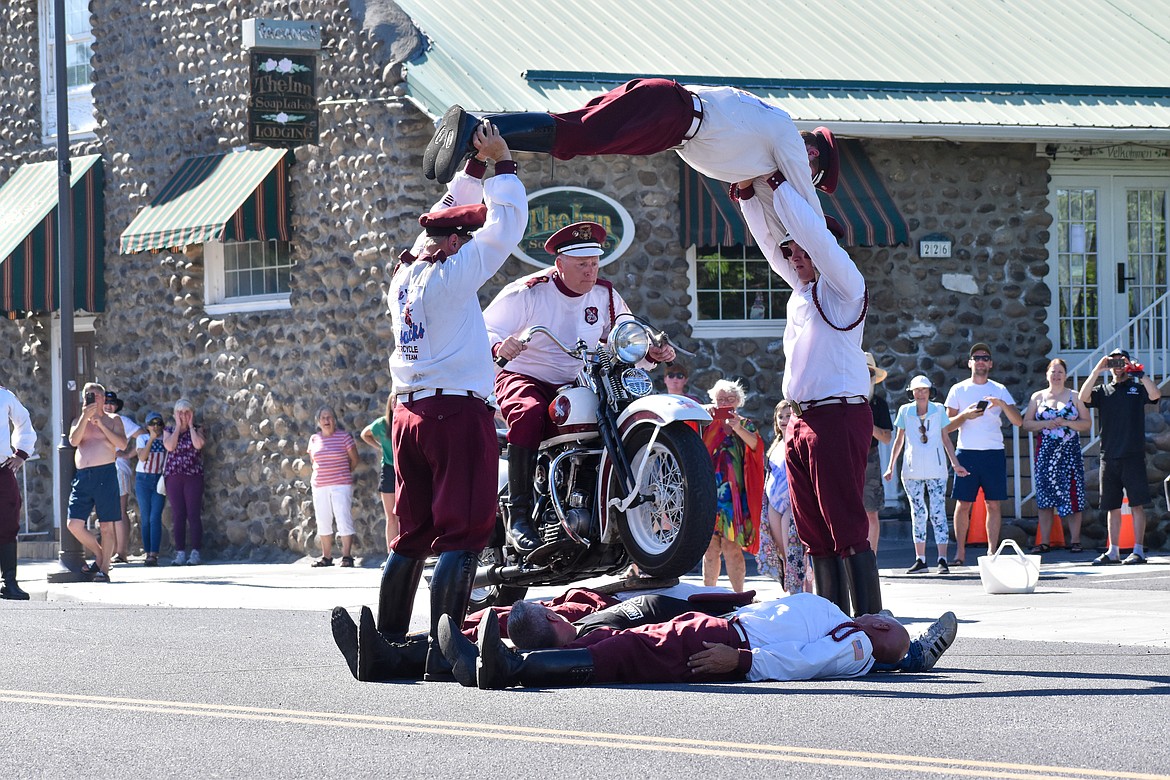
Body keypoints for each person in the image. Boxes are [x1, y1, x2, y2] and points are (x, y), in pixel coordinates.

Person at [378, 123, 527, 681]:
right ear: (456, 242)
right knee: (463, 531)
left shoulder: (404, 277)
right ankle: (446, 649)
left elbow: (438, 222)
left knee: (412, 534)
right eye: (463, 236)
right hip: (455, 413)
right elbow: (506, 227)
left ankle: (388, 642)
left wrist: (470, 169)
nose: (468, 241)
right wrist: (503, 163)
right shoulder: (454, 274)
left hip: (408, 413)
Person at [422, 79, 837, 249]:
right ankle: (474, 128)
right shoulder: (786, 136)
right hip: (672, 114)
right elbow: (805, 205)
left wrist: (789, 245)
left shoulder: (764, 146)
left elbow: (771, 212)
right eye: (812, 172)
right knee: (574, 134)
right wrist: (823, 248)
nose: (802, 174)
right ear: (813, 154)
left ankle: (471, 133)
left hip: (668, 121)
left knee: (573, 134)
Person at [733, 170, 878, 617]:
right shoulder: (803, 292)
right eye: (792, 251)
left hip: (837, 415)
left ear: (822, 250)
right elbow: (768, 247)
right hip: (802, 419)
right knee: (813, 527)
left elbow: (816, 239)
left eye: (800, 250)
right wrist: (747, 200)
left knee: (845, 524)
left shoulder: (845, 290)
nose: (793, 257)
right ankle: (831, 621)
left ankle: (869, 621)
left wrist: (781, 187)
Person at [483, 220, 675, 552]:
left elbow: (624, 337)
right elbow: (484, 328)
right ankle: (519, 517)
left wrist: (651, 351)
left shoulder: (605, 295)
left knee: (618, 411)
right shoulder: (529, 291)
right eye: (582, 265)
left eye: (594, 263)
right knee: (528, 415)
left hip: (576, 381)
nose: (590, 271)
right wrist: (500, 346)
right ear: (560, 264)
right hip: (524, 376)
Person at [448, 592, 921, 690]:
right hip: (721, 628)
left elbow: (803, 663)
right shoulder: (845, 628)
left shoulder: (854, 642)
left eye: (884, 618)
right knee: (618, 643)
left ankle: (510, 669)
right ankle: (497, 658)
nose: (878, 615)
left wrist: (739, 660)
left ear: (879, 628)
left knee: (624, 653)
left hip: (723, 641)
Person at [1078, 348, 1162, 565]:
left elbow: (1155, 395)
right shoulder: (1104, 390)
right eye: (1113, 362)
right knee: (1111, 506)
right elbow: (1082, 397)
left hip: (1132, 455)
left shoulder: (1136, 387)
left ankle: (1138, 550)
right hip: (1109, 456)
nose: (1117, 366)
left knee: (1137, 504)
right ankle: (1113, 551)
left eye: (1121, 361)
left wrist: (1138, 372)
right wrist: (1098, 369)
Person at [944, 342, 1023, 566]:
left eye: (985, 358)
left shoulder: (999, 389)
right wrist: (965, 416)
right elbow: (946, 426)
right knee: (963, 503)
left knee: (993, 504)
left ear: (990, 363)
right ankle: (960, 553)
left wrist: (1001, 404)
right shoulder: (958, 389)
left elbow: (1018, 421)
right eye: (976, 357)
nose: (981, 361)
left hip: (993, 452)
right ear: (970, 363)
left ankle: (992, 552)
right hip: (967, 452)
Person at [885, 376, 968, 573]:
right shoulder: (905, 411)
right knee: (918, 513)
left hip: (936, 469)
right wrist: (890, 466)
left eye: (924, 389)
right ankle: (920, 559)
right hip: (911, 470)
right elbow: (899, 440)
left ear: (930, 391)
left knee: (938, 513)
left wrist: (955, 464)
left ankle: (942, 559)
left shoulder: (939, 410)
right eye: (917, 390)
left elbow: (946, 438)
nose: (921, 393)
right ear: (911, 392)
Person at [1022, 359, 1091, 554]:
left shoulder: (1075, 396)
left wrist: (1068, 423)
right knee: (1045, 498)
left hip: (1069, 454)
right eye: (1053, 372)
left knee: (1073, 496)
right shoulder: (1038, 397)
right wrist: (1045, 424)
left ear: (1065, 375)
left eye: (1060, 372)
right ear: (1047, 375)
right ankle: (1044, 542)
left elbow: (1087, 423)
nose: (1056, 375)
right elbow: (1026, 424)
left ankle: (1075, 541)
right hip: (1045, 454)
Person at [700, 378, 763, 592]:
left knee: (732, 547)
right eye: (721, 399)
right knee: (709, 548)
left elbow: (756, 446)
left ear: (738, 401)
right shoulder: (705, 421)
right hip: (709, 495)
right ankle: (708, 594)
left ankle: (739, 595)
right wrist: (703, 411)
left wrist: (737, 428)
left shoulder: (745, 423)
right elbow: (685, 423)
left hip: (735, 497)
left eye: (730, 398)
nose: (725, 402)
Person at [66, 382, 126, 582]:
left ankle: (105, 569)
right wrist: (85, 417)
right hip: (83, 477)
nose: (90, 399)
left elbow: (122, 444)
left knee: (107, 525)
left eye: (93, 396)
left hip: (105, 474)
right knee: (74, 524)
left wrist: (100, 424)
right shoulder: (78, 420)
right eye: (87, 396)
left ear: (101, 398)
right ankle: (100, 554)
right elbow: (74, 441)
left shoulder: (113, 420)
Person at [760, 400, 809, 594]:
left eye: (788, 416)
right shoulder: (776, 444)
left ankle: (804, 592)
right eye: (780, 416)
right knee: (783, 552)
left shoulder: (797, 440)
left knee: (794, 549)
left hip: (791, 501)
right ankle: (792, 591)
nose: (784, 420)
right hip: (774, 502)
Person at [308, 405, 359, 568]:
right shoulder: (314, 439)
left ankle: (347, 556)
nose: (326, 420)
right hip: (319, 485)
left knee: (343, 518)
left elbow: (354, 459)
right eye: (323, 418)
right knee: (323, 520)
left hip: (340, 484)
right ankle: (326, 557)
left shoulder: (344, 437)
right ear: (318, 421)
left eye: (329, 417)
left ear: (335, 420)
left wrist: (342, 473)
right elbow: (313, 460)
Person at [1, 382, 37, 600]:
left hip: (1, 470)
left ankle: (9, 582)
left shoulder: (4, 396)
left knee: (7, 523)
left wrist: (21, 452)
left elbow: (23, 421)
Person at [163, 398, 206, 566]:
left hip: (193, 476)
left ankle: (196, 552)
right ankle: (180, 552)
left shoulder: (197, 429)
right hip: (174, 476)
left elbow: (198, 445)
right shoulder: (169, 430)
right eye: (179, 412)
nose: (183, 415)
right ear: (175, 414)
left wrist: (190, 427)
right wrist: (177, 428)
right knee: (178, 515)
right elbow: (170, 447)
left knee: (193, 514)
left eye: (186, 412)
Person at [103, 391, 142, 564]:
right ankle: (109, 552)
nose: (108, 406)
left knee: (119, 511)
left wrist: (128, 454)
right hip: (101, 468)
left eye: (111, 403)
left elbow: (142, 435)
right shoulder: (97, 421)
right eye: (106, 402)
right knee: (106, 513)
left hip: (118, 468)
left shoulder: (122, 421)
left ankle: (121, 552)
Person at [360, 394, 399, 565]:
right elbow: (365, 434)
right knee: (391, 516)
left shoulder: (405, 420)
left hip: (405, 470)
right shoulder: (382, 424)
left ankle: (407, 556)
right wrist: (380, 447)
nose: (396, 404)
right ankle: (391, 557)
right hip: (389, 470)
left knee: (406, 515)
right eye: (393, 401)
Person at [864, 353, 893, 552]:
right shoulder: (843, 401)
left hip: (870, 458)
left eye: (868, 373)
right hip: (846, 458)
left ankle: (871, 559)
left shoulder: (879, 404)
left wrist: (867, 423)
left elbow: (886, 437)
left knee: (871, 511)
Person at [134, 411, 168, 567]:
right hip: (143, 479)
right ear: (147, 426)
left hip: (158, 479)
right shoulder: (142, 438)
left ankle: (154, 554)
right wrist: (152, 439)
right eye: (152, 424)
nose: (156, 427)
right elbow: (142, 457)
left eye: (158, 423)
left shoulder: (166, 438)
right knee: (146, 517)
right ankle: (147, 552)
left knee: (155, 517)